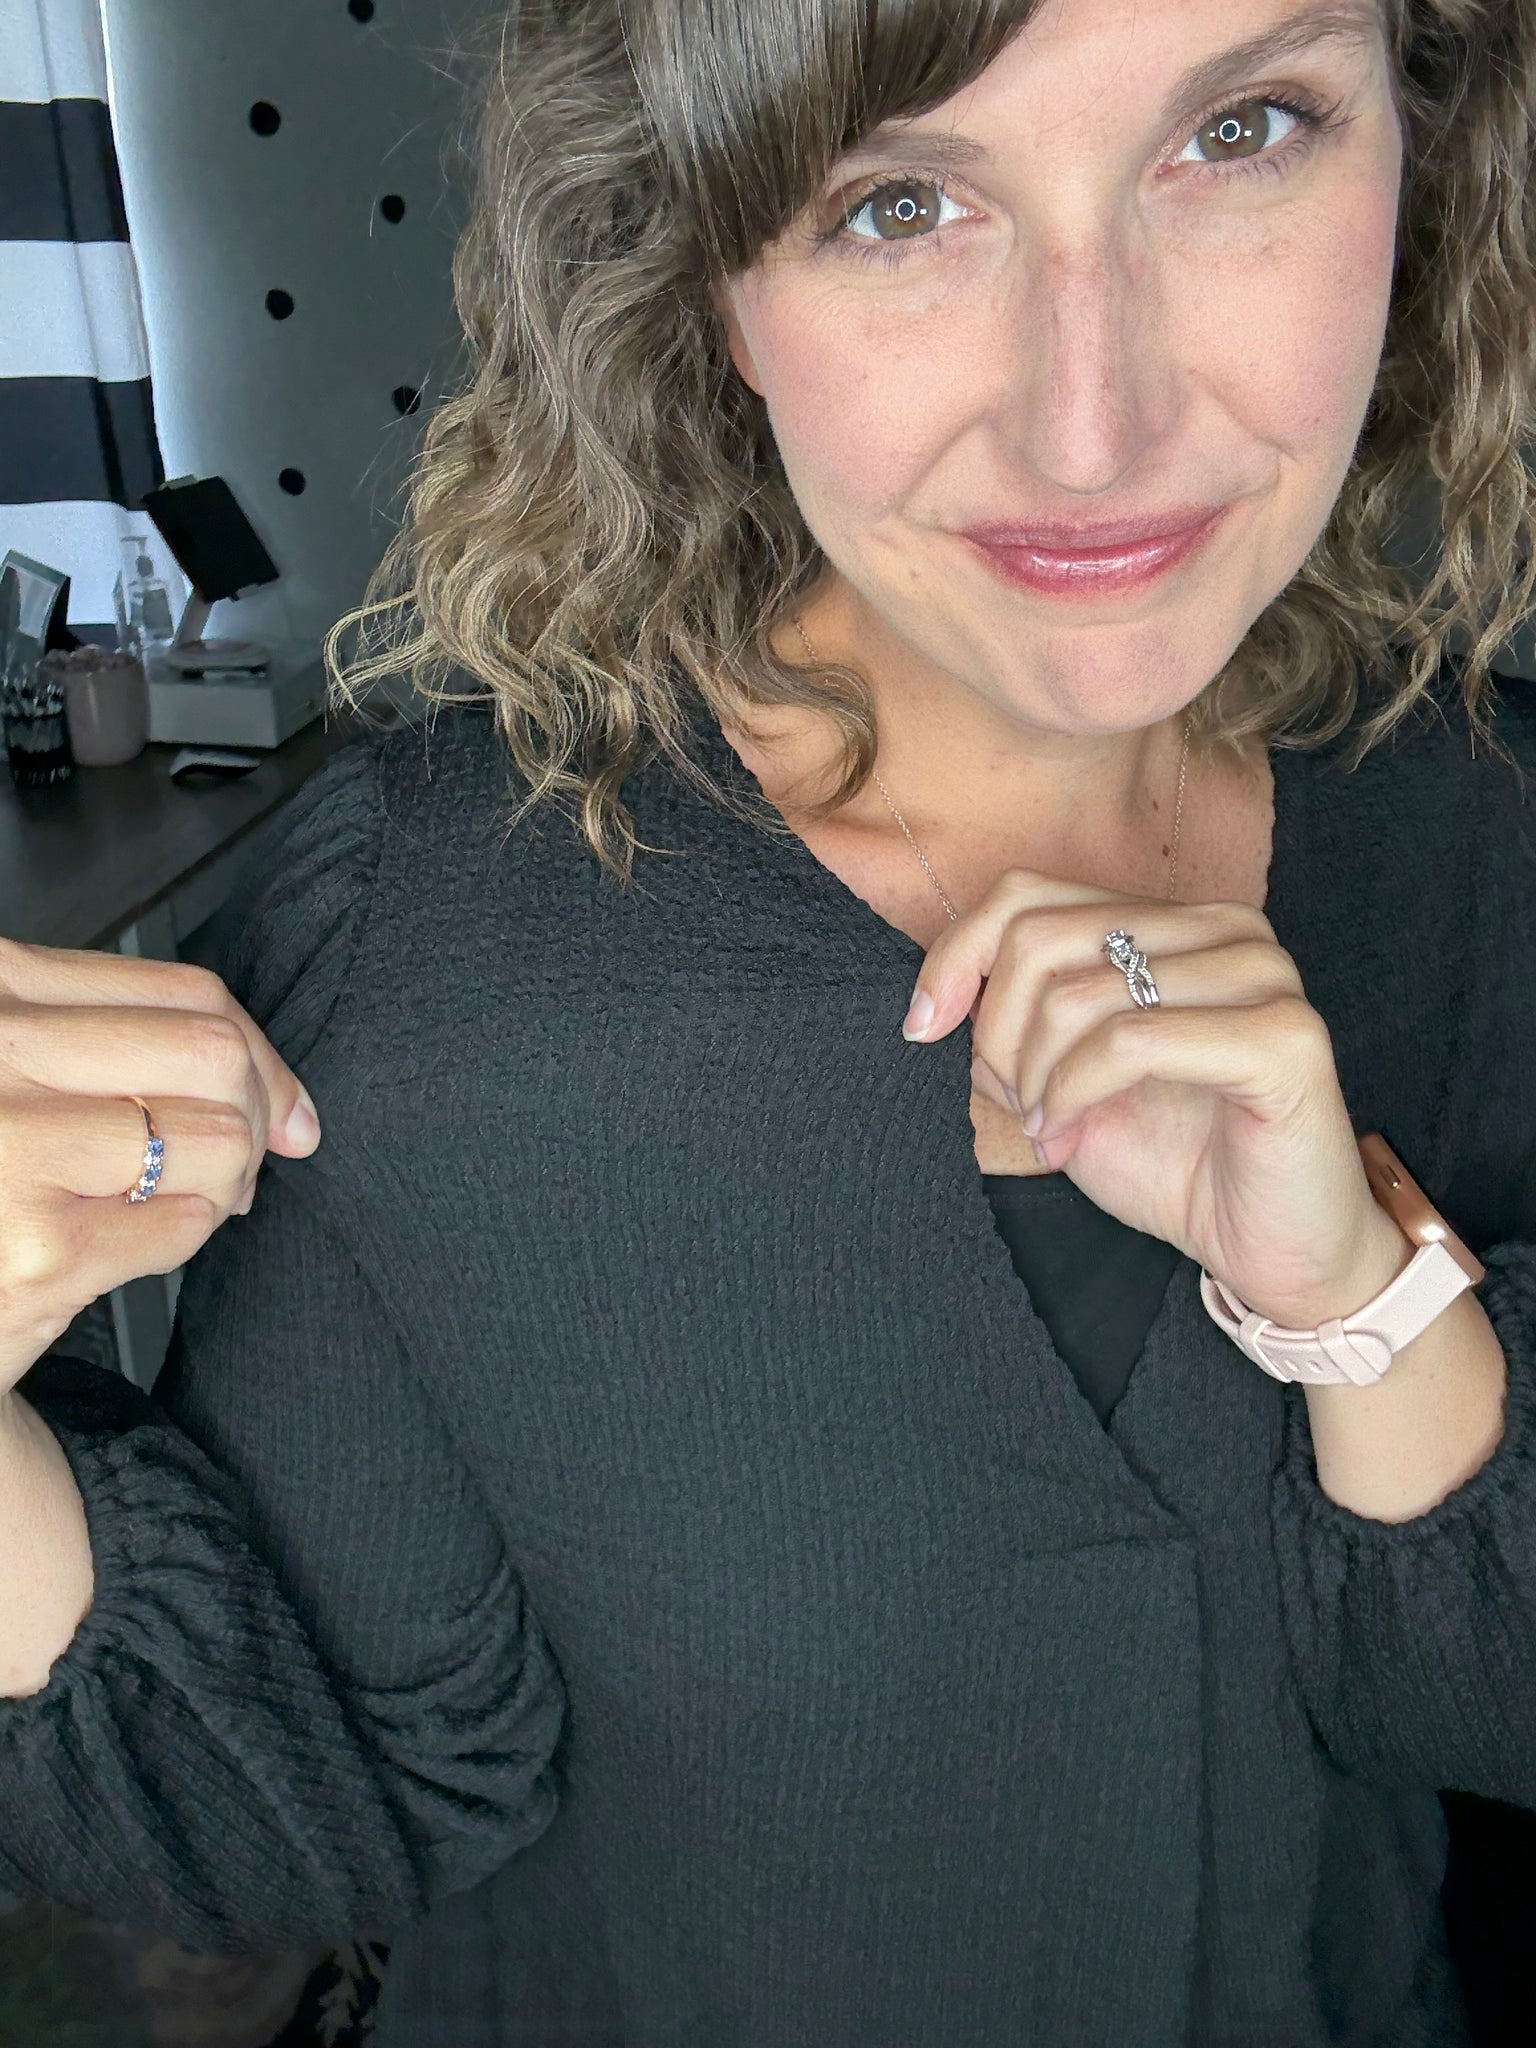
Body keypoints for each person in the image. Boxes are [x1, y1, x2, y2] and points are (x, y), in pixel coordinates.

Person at [2, 0, 1535, 2042]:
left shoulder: (1483, 830)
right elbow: (293, 1825)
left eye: (1242, 131)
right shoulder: (426, 939)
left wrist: (1366, 1302)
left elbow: (1476, 1703)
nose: (1094, 425)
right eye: (895, 204)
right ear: (706, 280)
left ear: (1422, 144)